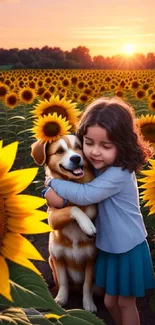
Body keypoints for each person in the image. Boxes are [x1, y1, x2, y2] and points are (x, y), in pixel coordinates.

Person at [43, 97, 155, 325]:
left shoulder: (119, 172)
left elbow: (86, 195)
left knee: (125, 303)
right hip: (109, 246)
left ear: (123, 145)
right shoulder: (98, 166)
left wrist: (50, 185)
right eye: (88, 142)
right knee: (109, 302)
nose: (94, 152)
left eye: (105, 146)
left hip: (127, 248)